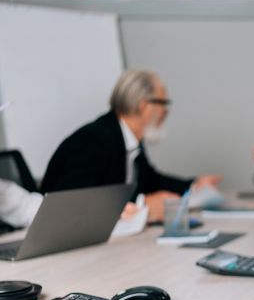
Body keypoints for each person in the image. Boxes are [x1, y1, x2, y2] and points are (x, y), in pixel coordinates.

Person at [40, 70, 221, 220]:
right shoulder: (93, 140)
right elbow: (72, 202)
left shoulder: (130, 140)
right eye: (164, 103)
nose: (166, 111)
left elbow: (151, 180)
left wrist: (193, 185)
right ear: (144, 106)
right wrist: (142, 204)